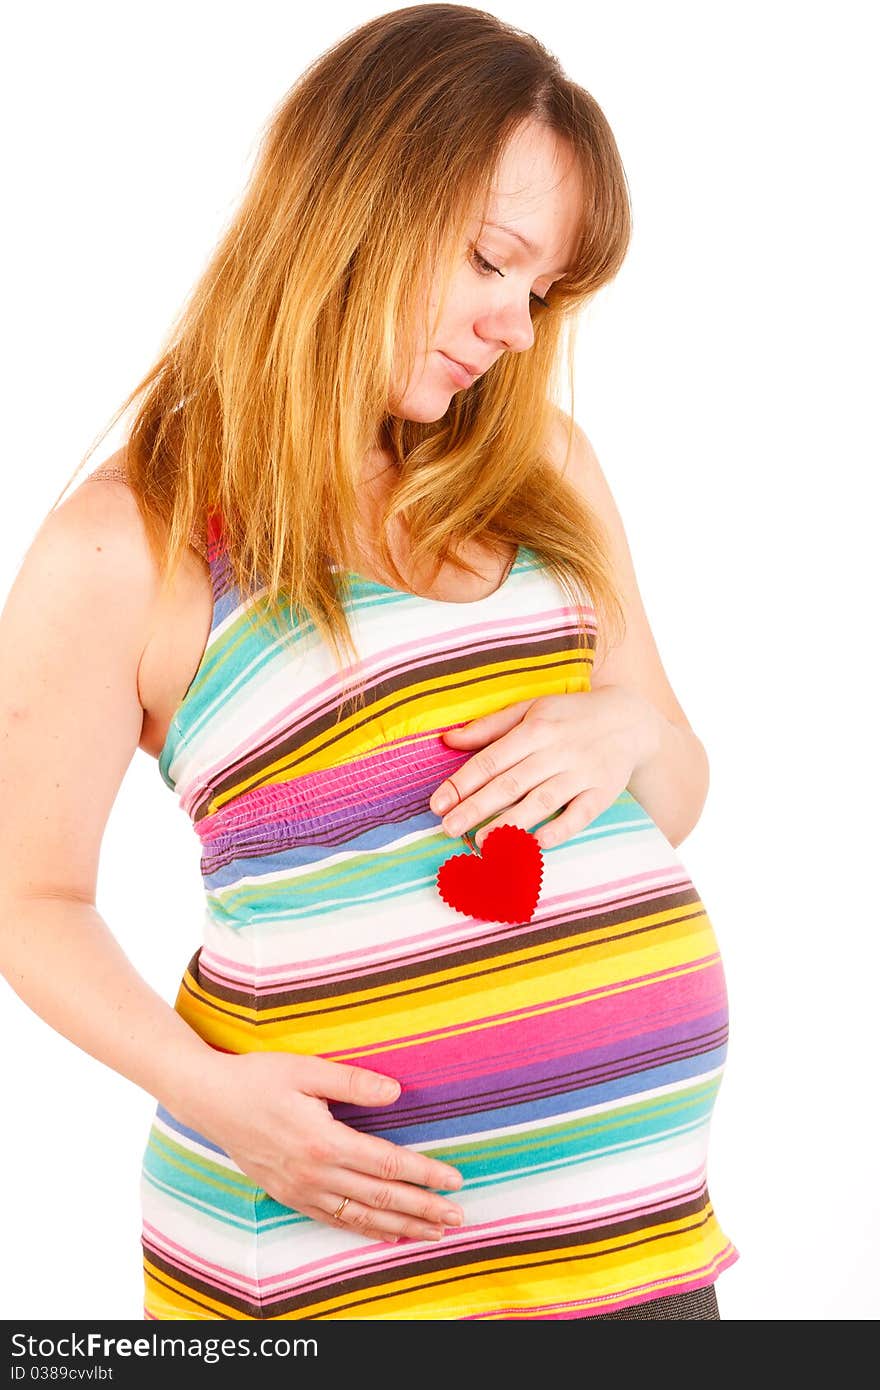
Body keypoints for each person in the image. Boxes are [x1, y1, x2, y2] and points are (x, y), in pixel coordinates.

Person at [0, 3, 737, 1320]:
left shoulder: (544, 473)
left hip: (640, 1249)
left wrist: (626, 735)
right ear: (356, 199)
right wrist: (208, 1089)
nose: (516, 324)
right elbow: (27, 894)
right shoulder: (130, 544)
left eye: (542, 288)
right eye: (491, 259)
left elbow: (672, 783)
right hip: (331, 1271)